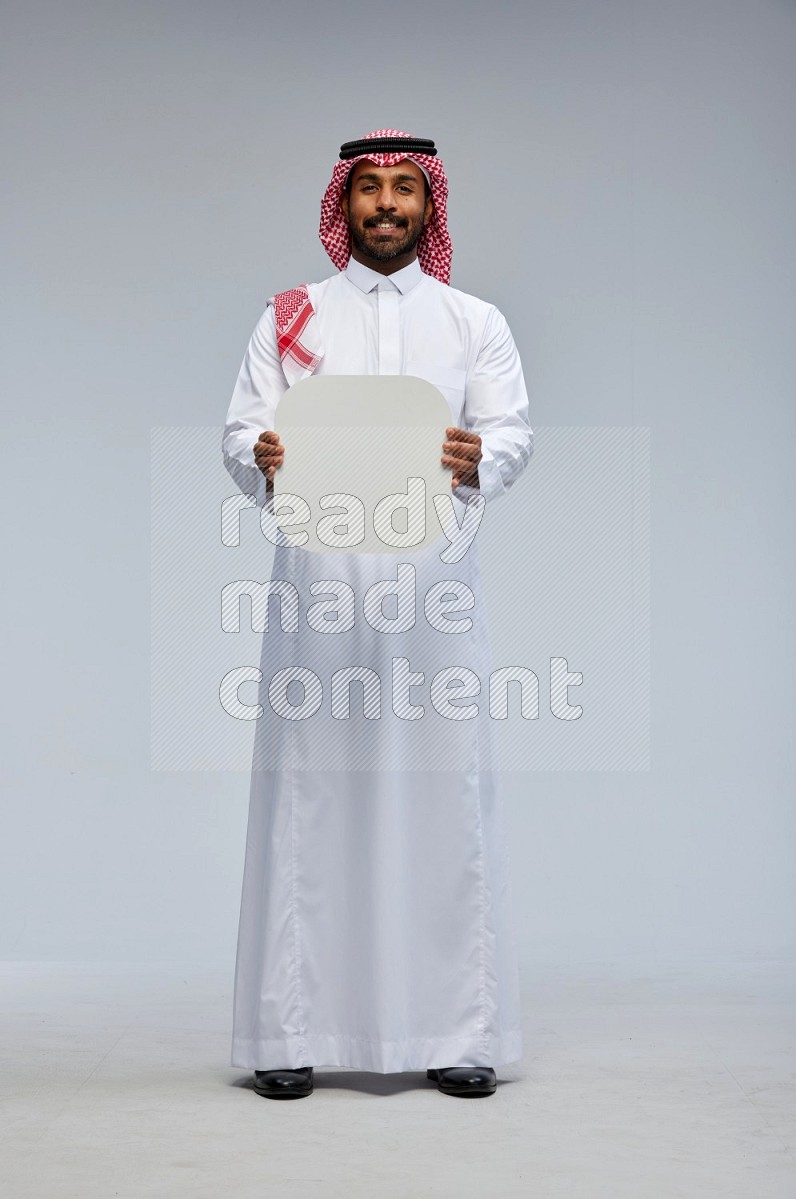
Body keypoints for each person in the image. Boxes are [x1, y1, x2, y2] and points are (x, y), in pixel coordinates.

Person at [222, 129, 533, 1100]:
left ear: (428, 206)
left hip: (429, 598)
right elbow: (241, 429)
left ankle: (455, 1031)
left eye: (404, 189)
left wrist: (477, 456)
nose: (387, 205)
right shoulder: (290, 320)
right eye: (370, 190)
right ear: (342, 205)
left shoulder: (473, 322)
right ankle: (290, 1028)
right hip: (317, 594)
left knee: (442, 797)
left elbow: (511, 428)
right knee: (311, 797)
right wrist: (258, 457)